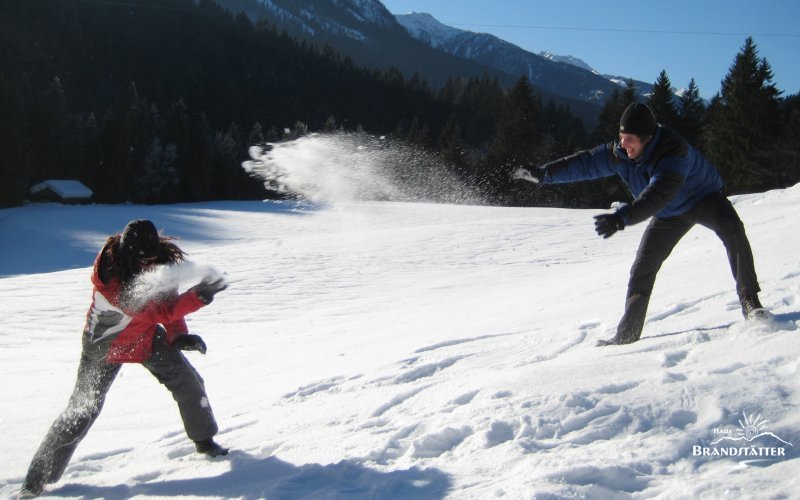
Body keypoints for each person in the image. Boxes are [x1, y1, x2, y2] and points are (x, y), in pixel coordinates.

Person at [516, 102, 767, 346]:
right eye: (621, 136)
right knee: (641, 269)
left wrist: (621, 217)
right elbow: (586, 163)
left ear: (647, 138)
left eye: (630, 139)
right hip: (668, 214)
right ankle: (627, 335)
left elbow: (656, 195)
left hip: (702, 199)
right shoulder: (619, 152)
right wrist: (544, 174)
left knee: (733, 230)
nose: (623, 144)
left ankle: (750, 302)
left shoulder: (673, 152)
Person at [19, 219, 229, 498]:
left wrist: (178, 335)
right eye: (143, 260)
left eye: (152, 258)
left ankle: (205, 441)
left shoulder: (159, 262)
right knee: (83, 409)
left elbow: (167, 300)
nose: (148, 264)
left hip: (144, 337)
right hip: (104, 346)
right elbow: (155, 311)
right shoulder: (110, 278)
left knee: (188, 381)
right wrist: (199, 296)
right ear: (128, 254)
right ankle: (35, 482)